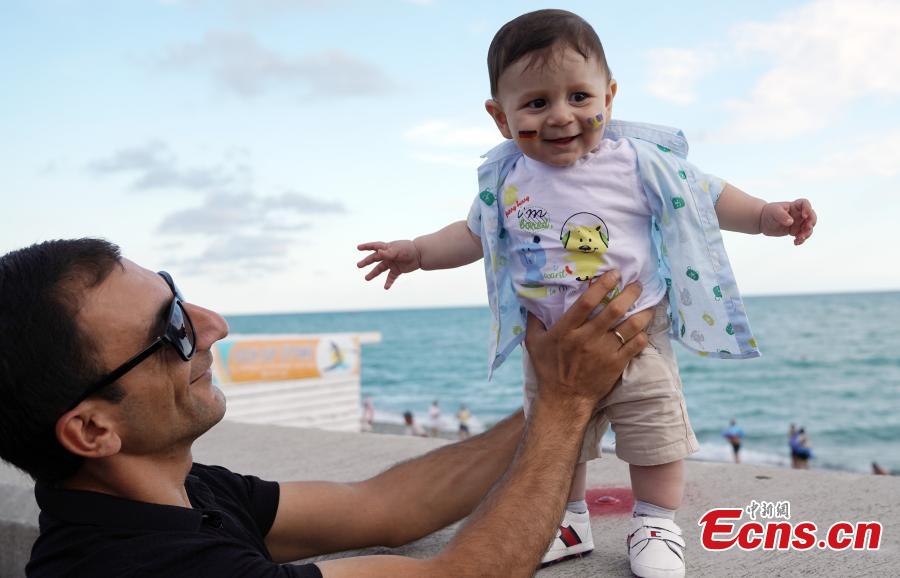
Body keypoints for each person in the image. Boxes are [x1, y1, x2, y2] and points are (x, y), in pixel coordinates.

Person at [357, 9, 818, 576]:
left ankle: (654, 522)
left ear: (610, 96)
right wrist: (419, 253)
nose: (561, 117)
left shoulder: (636, 162)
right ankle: (566, 521)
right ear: (501, 118)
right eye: (535, 104)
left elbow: (706, 196)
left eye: (579, 96)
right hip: (549, 344)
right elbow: (473, 233)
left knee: (654, 433)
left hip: (634, 335)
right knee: (556, 442)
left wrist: (768, 215)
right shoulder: (506, 180)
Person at [0, 238, 652, 577]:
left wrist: (579, 395)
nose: (214, 324)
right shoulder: (147, 567)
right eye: (170, 329)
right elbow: (469, 573)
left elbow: (388, 508)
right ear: (91, 429)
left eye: (176, 294)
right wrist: (566, 405)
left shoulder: (154, 500)